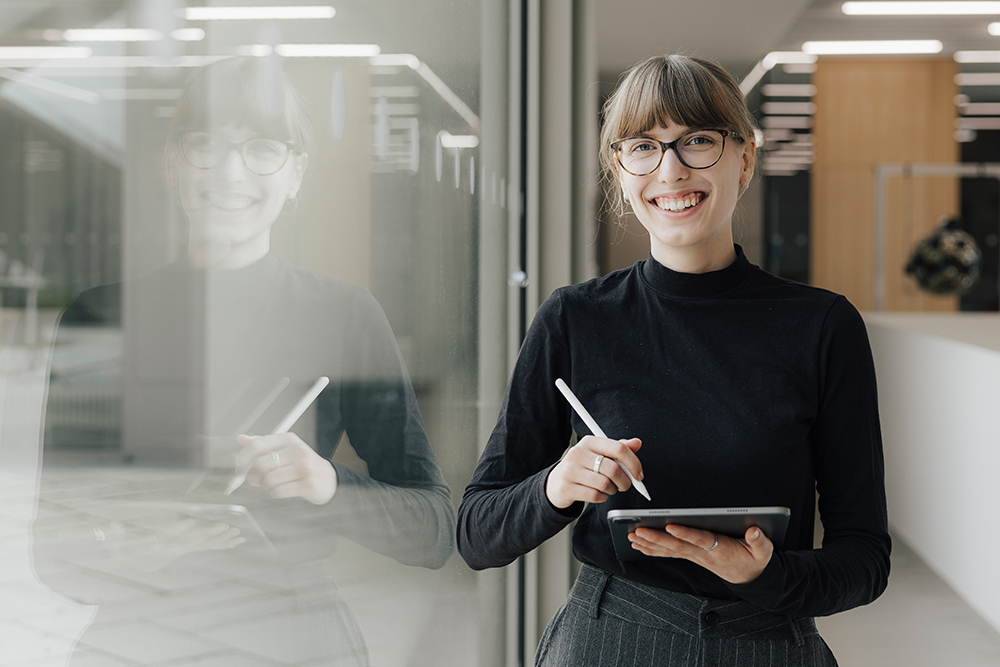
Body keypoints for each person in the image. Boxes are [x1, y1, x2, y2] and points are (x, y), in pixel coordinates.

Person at [457, 54, 890, 666]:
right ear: (620, 169)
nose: (671, 169)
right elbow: (477, 533)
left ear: (745, 158)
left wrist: (767, 575)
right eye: (643, 146)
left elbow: (865, 559)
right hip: (610, 640)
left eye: (698, 142)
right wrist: (556, 486)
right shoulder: (575, 319)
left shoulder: (822, 325)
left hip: (769, 638)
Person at [33, 57, 454, 666]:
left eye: (261, 149)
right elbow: (51, 550)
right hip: (137, 638)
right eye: (205, 146)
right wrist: (125, 552)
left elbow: (434, 529)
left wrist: (327, 485)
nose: (231, 173)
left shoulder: (342, 314)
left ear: (296, 174)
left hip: (292, 639)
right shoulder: (102, 317)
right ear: (173, 162)